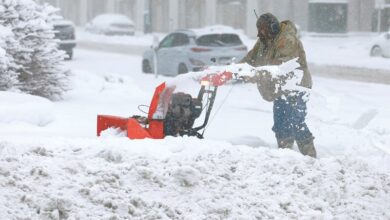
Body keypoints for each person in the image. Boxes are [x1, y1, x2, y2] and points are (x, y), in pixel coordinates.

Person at [241, 13, 316, 158]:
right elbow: (250, 58)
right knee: (281, 124)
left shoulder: (287, 39)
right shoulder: (264, 40)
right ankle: (284, 157)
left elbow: (282, 67)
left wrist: (254, 75)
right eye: (260, 30)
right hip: (280, 88)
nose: (261, 33)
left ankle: (310, 158)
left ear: (273, 27)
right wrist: (235, 70)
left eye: (264, 30)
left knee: (295, 122)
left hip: (296, 87)